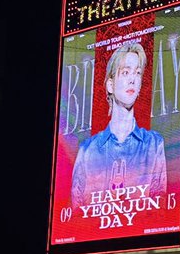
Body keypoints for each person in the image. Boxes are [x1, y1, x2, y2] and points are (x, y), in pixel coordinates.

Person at [70, 40, 167, 207]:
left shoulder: (154, 144)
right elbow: (76, 214)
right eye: (125, 72)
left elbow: (159, 207)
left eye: (137, 73)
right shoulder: (87, 151)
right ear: (110, 85)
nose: (132, 80)